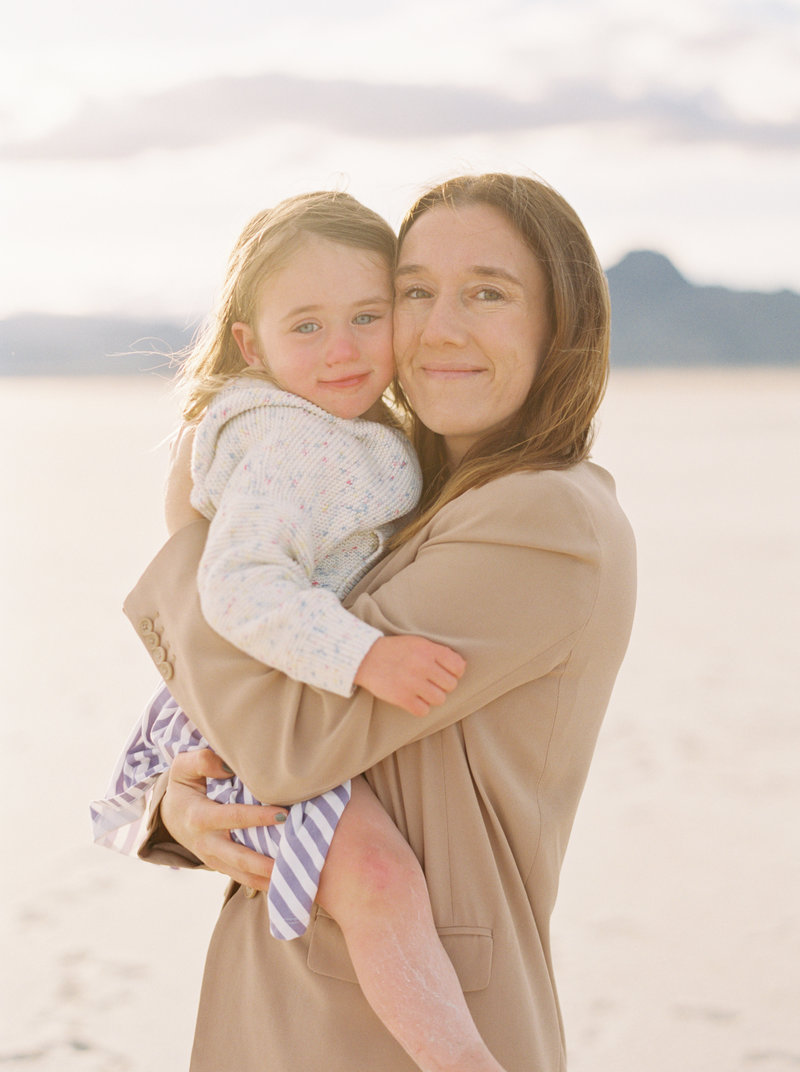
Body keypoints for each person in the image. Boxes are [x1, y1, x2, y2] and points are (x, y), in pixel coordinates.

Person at [124, 172, 637, 1072]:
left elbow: (291, 744)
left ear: (561, 327)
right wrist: (187, 801)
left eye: (487, 293)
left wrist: (190, 546)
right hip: (294, 1005)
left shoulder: (544, 519)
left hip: (392, 1035)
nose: (439, 327)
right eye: (414, 293)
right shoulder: (404, 492)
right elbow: (276, 704)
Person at [93, 191, 506, 1072]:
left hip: (260, 693)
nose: (345, 349)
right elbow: (238, 587)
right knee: (380, 881)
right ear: (253, 343)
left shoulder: (344, 429)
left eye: (366, 316)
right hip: (255, 699)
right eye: (308, 326)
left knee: (374, 886)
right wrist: (365, 655)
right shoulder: (292, 441)